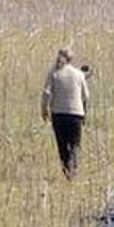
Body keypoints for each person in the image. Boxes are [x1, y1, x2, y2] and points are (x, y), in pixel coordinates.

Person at [40, 48, 90, 179]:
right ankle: (73, 168)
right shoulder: (79, 74)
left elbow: (46, 93)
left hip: (58, 115)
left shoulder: (54, 73)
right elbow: (85, 96)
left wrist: (44, 110)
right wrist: (84, 113)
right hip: (76, 115)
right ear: (71, 59)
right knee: (75, 144)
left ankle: (67, 171)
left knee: (62, 145)